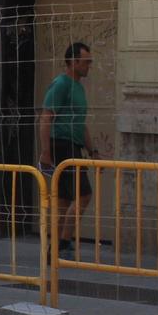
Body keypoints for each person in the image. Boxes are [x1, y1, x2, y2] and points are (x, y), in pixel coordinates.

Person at [39, 42, 100, 255]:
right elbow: (46, 117)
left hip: (73, 145)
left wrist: (93, 151)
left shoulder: (78, 87)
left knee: (64, 200)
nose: (88, 67)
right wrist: (46, 151)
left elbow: (80, 123)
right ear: (73, 62)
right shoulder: (61, 84)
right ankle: (64, 241)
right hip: (62, 145)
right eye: (85, 62)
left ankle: (54, 247)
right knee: (84, 194)